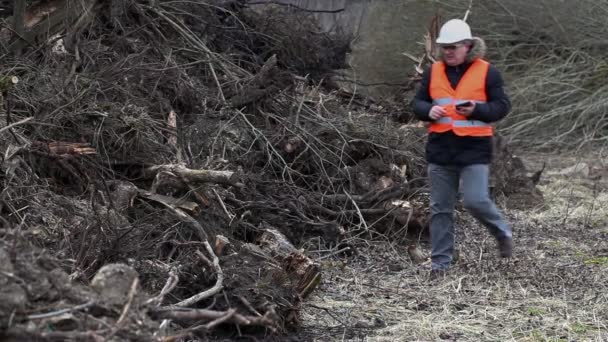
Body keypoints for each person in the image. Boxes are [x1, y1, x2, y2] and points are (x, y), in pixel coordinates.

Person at [411, 19, 513, 277]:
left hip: (474, 149)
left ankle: (502, 231)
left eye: (453, 47)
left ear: (468, 46)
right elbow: (418, 103)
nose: (448, 51)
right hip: (441, 148)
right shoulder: (432, 72)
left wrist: (476, 110)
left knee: (475, 199)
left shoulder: (489, 72)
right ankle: (440, 265)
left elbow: (502, 107)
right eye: (444, 47)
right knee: (440, 208)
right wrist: (427, 110)